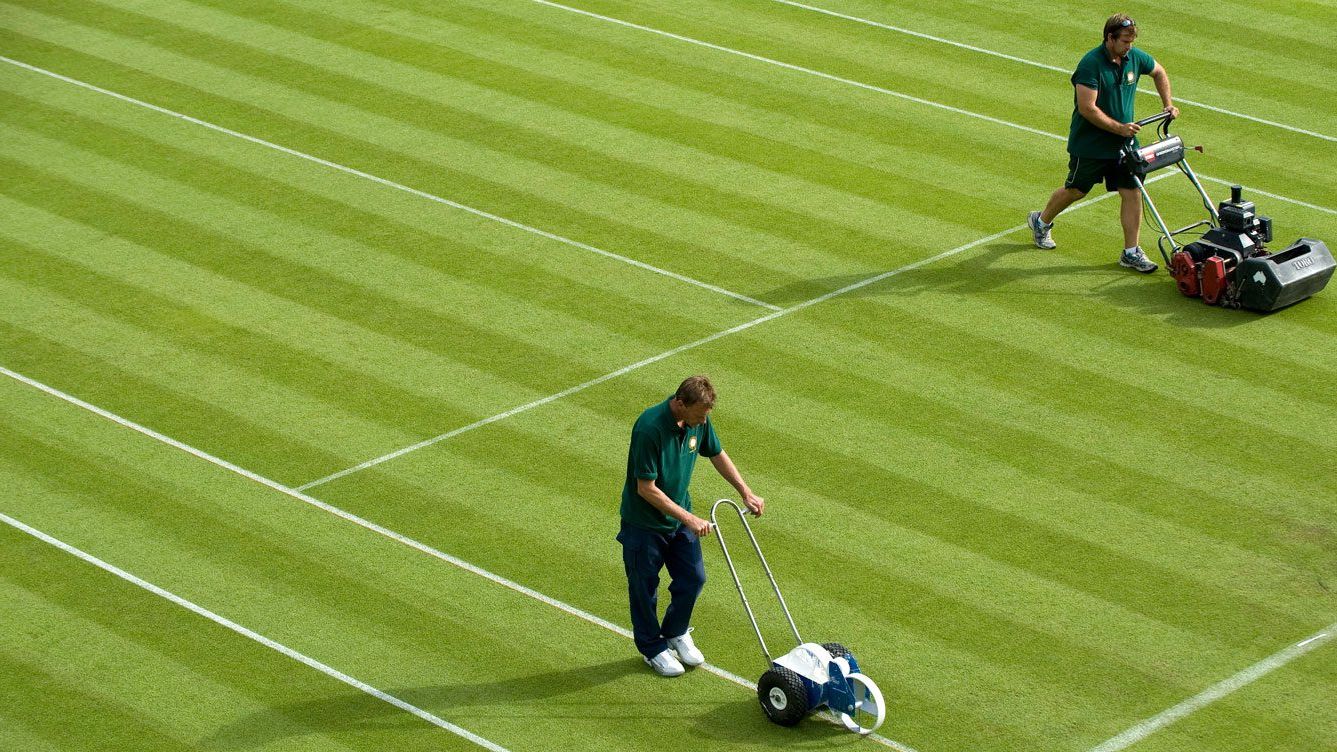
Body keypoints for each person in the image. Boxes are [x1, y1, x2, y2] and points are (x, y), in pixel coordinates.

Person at [618, 375, 764, 677]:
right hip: (644, 525)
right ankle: (652, 649)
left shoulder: (698, 421)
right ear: (679, 403)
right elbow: (646, 488)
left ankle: (676, 631)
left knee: (694, 578)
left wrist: (745, 491)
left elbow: (717, 453)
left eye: (706, 415)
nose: (703, 421)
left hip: (679, 517)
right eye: (699, 414)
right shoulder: (649, 428)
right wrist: (690, 519)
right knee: (644, 589)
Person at [1028, 14, 1179, 272]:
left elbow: (1159, 71)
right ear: (1109, 38)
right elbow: (1088, 109)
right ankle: (1041, 222)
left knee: (1132, 191)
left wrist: (1167, 103)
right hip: (1091, 145)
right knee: (1076, 190)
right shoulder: (1090, 65)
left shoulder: (1134, 58)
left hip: (1125, 143)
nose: (1129, 46)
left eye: (1132, 41)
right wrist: (1119, 128)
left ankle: (1131, 252)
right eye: (1124, 41)